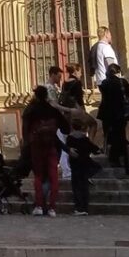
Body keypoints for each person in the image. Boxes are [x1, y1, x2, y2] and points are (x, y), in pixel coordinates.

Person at [22, 85, 63, 216]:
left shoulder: (30, 110)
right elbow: (65, 127)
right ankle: (52, 207)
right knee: (53, 176)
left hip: (36, 147)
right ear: (46, 96)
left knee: (38, 176)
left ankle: (39, 205)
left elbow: (25, 129)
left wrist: (27, 143)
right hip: (51, 145)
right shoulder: (52, 110)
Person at [97, 62, 129, 176]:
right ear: (118, 72)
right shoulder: (122, 82)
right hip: (119, 113)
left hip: (106, 113)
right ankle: (116, 158)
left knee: (110, 135)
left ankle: (111, 154)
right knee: (119, 135)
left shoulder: (104, 83)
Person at [65, 112, 102, 215]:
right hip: (84, 164)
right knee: (84, 187)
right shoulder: (85, 139)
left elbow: (68, 150)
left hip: (75, 165)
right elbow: (96, 150)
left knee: (76, 187)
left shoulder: (70, 139)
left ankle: (78, 207)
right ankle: (85, 207)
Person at [89, 27, 118, 92]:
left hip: (100, 80)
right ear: (106, 34)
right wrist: (117, 79)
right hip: (109, 81)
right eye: (110, 34)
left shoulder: (96, 47)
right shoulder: (106, 47)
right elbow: (111, 66)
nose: (111, 36)